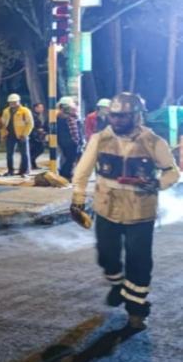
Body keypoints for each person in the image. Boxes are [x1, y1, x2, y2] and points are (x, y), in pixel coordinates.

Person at [70, 93, 180, 330]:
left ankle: (136, 310)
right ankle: (116, 283)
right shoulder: (100, 139)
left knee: (138, 261)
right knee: (107, 255)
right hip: (106, 207)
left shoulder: (153, 142)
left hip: (140, 211)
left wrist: (157, 184)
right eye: (114, 115)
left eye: (123, 116)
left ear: (137, 116)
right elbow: (83, 171)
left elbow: (173, 172)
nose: (117, 120)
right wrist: (77, 199)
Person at [0, 93, 35, 176]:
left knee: (24, 154)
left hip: (21, 135)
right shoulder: (6, 111)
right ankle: (10, 171)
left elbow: (30, 124)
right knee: (9, 154)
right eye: (11, 102)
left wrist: (25, 134)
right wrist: (3, 134)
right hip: (10, 135)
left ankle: (25, 171)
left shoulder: (25, 111)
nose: (13, 104)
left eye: (14, 102)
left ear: (18, 101)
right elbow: (2, 124)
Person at [57, 97, 85, 179]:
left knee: (68, 159)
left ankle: (66, 174)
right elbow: (74, 131)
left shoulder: (58, 116)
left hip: (65, 141)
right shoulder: (69, 118)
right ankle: (65, 174)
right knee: (70, 159)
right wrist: (78, 141)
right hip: (70, 141)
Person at [30, 102, 48, 170]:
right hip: (34, 137)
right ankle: (31, 164)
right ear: (36, 108)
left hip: (36, 136)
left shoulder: (36, 115)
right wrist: (38, 130)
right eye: (40, 107)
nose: (42, 109)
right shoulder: (33, 115)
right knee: (39, 149)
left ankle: (32, 164)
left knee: (36, 150)